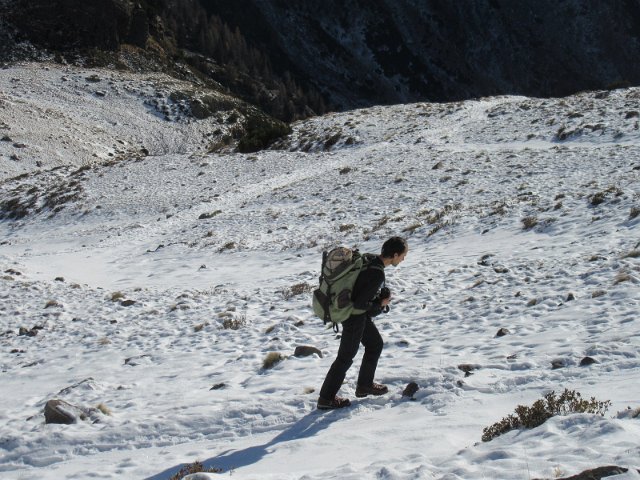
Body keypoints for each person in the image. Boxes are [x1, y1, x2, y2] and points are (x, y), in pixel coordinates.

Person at [317, 236, 408, 410]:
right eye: (403, 255)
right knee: (345, 357)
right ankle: (325, 398)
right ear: (395, 255)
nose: (403, 259)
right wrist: (380, 304)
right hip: (353, 317)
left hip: (356, 315)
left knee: (375, 344)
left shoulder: (369, 259)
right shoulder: (377, 273)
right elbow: (361, 304)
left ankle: (364, 385)